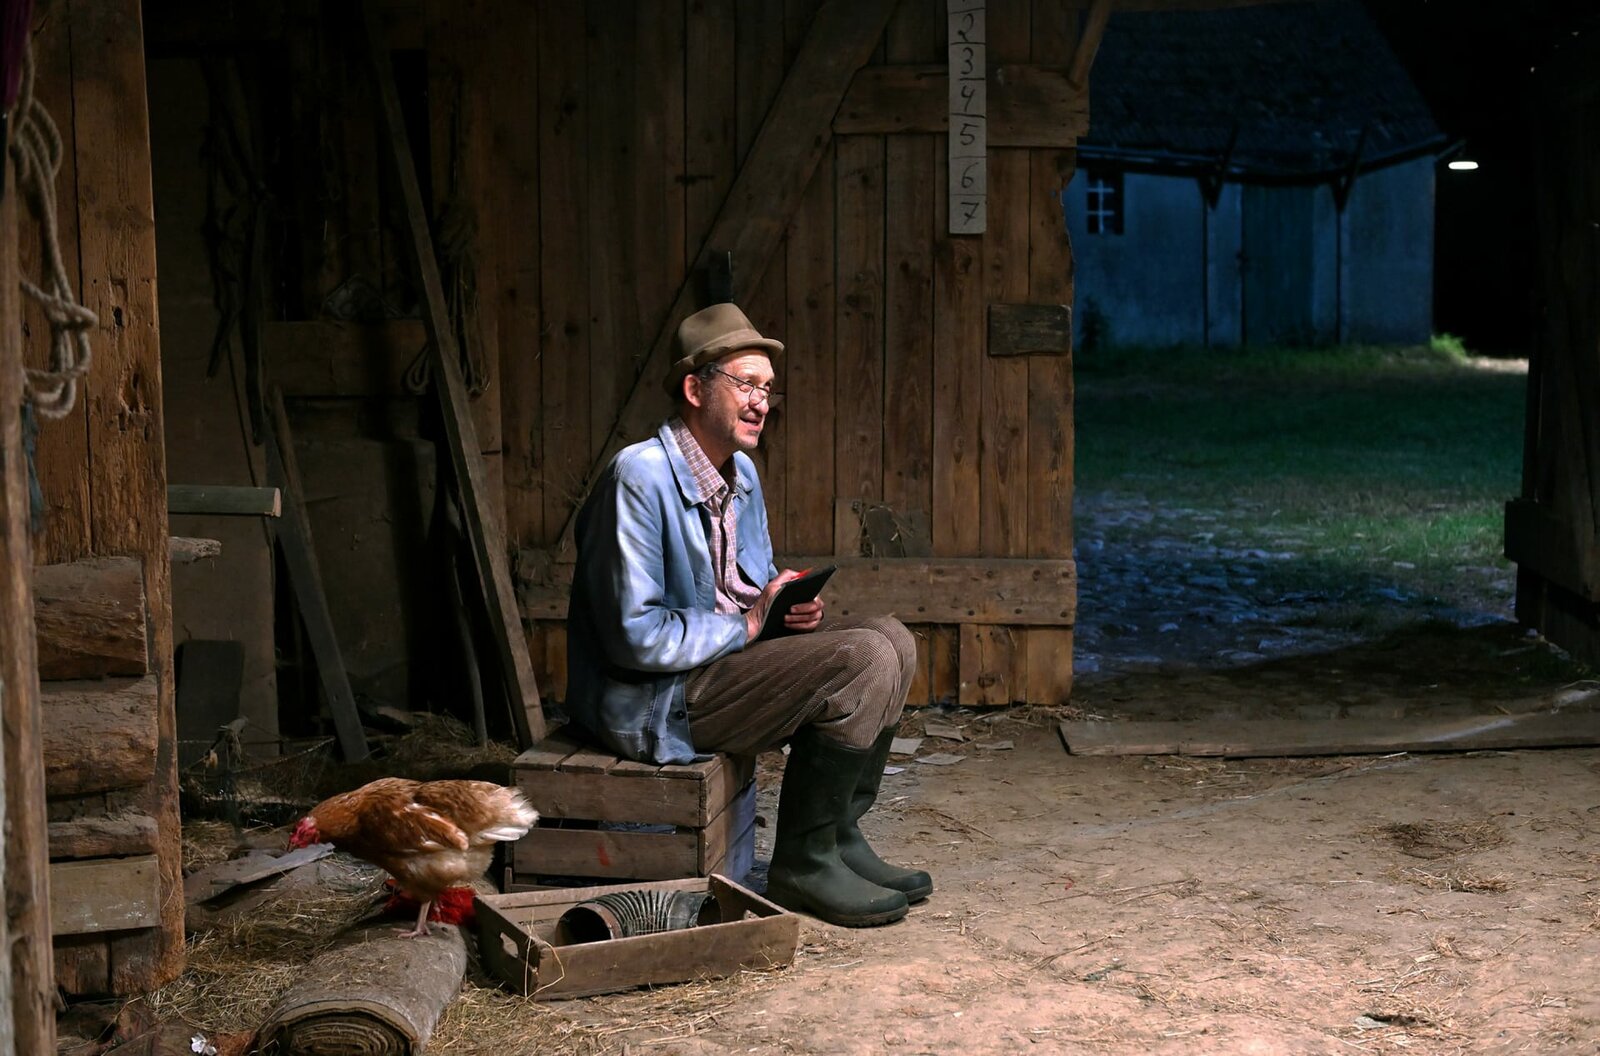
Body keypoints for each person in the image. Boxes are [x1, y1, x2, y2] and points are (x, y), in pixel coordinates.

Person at [565, 302, 931, 928]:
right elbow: (635, 637)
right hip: (657, 697)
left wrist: (785, 608)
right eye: (746, 385)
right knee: (863, 657)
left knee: (893, 637)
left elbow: (750, 589)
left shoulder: (743, 475)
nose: (762, 402)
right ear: (694, 389)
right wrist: (751, 624)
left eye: (768, 389)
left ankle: (838, 834)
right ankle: (803, 863)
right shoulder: (638, 477)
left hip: (722, 665)